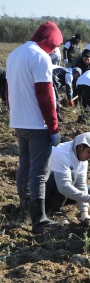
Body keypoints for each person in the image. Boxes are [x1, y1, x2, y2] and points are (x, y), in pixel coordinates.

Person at [6, 21, 64, 233]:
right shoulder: (40, 56)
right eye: (56, 44)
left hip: (19, 121)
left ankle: (25, 208)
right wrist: (53, 127)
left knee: (25, 165)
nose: (56, 49)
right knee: (40, 171)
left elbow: (8, 90)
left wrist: (15, 113)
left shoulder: (14, 54)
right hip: (37, 124)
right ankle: (39, 220)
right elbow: (45, 93)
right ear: (50, 40)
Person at [45, 132, 90, 222]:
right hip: (38, 191)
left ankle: (50, 207)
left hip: (54, 189)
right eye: (89, 152)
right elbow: (64, 187)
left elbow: (81, 185)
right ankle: (54, 211)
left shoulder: (82, 159)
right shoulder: (62, 154)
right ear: (80, 146)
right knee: (72, 174)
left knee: (88, 190)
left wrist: (84, 213)